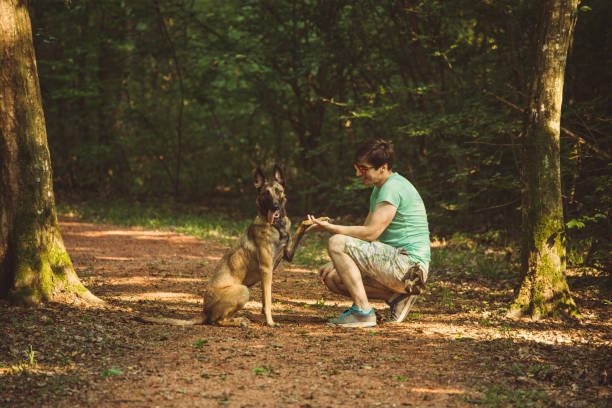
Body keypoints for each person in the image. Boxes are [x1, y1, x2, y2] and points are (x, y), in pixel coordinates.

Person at [306, 139, 430, 328]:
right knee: (333, 278)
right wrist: (336, 261)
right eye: (357, 167)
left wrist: (330, 228)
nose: (358, 173)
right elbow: (362, 237)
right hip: (402, 269)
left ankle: (362, 312)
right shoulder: (379, 189)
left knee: (336, 242)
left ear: (383, 167)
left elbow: (371, 233)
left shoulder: (392, 188)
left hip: (410, 269)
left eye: (363, 169)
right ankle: (397, 297)